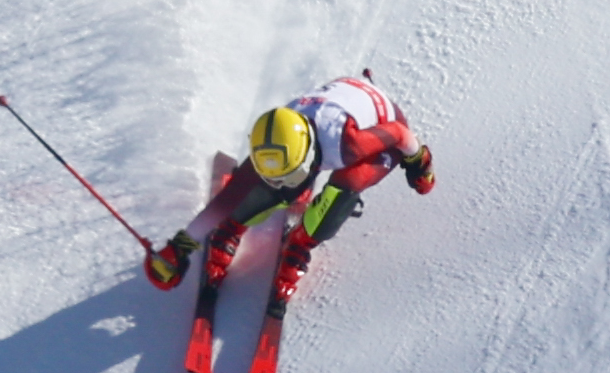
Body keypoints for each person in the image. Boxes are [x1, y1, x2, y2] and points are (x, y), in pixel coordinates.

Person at [142, 71, 433, 299]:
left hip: (383, 127)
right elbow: (228, 198)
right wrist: (179, 247)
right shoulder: (276, 139)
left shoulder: (349, 144)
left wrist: (419, 162)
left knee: (346, 184)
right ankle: (240, 222)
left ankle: (301, 244)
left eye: (290, 173)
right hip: (338, 98)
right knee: (269, 187)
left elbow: (398, 133)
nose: (277, 181)